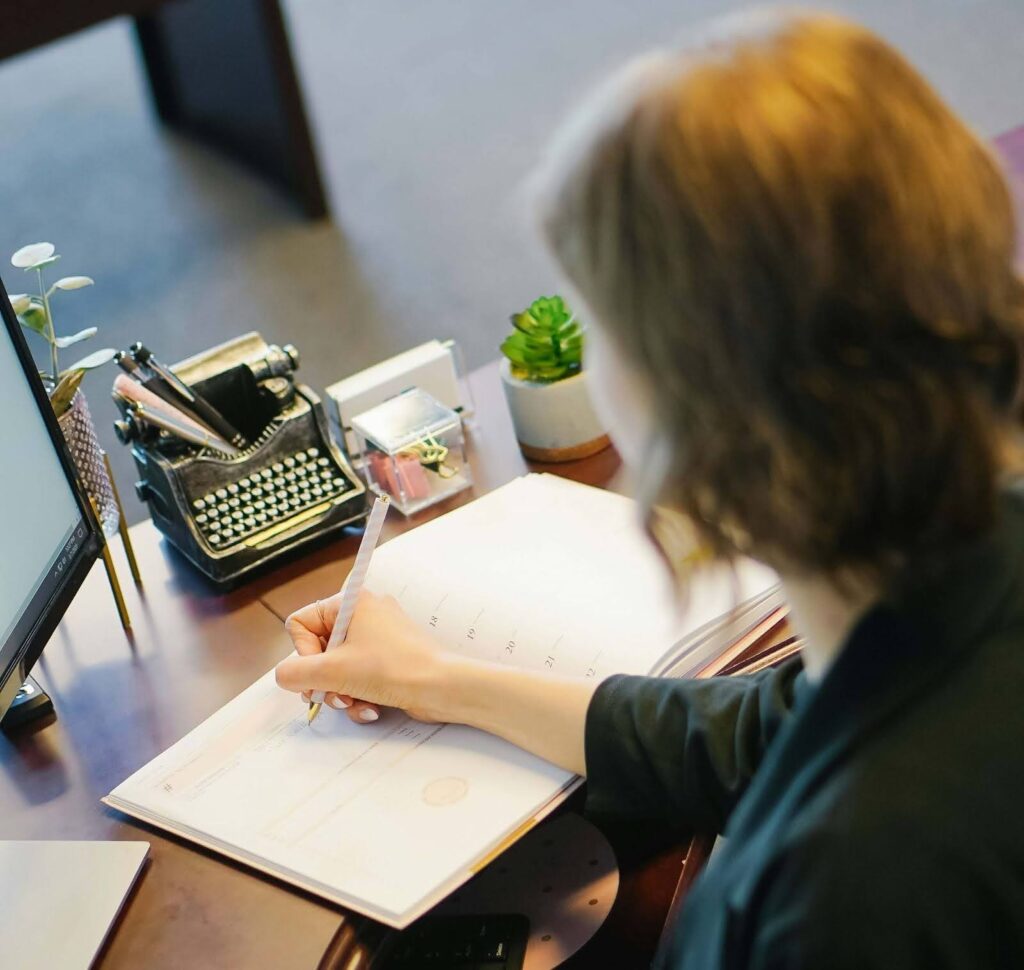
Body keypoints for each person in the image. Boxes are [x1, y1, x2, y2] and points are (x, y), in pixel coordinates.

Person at [276, 11, 1024, 967]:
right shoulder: (957, 561)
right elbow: (762, 730)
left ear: (696, 395)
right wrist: (438, 681)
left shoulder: (848, 893)